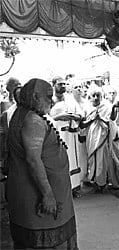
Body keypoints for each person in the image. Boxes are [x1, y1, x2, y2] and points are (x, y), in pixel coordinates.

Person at [6, 78, 78, 249]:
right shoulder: (32, 120)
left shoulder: (25, 114)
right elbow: (32, 160)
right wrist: (47, 195)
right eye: (48, 96)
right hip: (37, 197)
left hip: (34, 192)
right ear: (35, 96)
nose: (51, 101)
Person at [80, 87, 119, 193]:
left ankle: (101, 183)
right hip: (91, 138)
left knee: (101, 160)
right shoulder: (86, 108)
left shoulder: (107, 107)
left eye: (98, 95)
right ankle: (94, 181)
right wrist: (92, 119)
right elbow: (82, 124)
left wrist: (100, 118)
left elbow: (111, 122)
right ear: (90, 97)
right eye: (94, 96)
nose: (96, 98)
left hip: (102, 137)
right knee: (92, 159)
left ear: (101, 97)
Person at [49, 76, 82, 198]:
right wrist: (59, 117)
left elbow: (80, 115)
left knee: (72, 160)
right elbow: (45, 117)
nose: (63, 86)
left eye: (64, 84)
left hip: (70, 134)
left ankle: (74, 187)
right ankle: (61, 188)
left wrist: (73, 117)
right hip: (56, 134)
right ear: (53, 85)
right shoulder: (49, 99)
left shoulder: (70, 99)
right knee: (59, 160)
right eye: (60, 84)